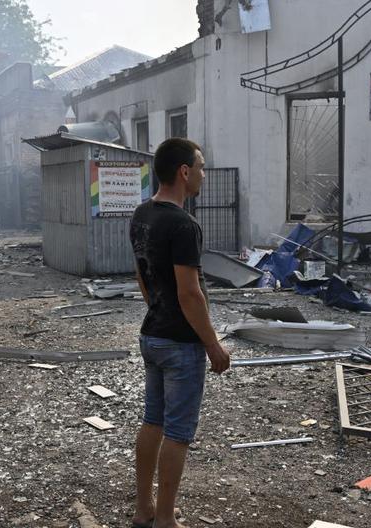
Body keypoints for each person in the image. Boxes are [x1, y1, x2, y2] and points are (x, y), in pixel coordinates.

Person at [129, 138, 230, 528]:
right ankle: (166, 519)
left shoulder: (141, 215)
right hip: (180, 344)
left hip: (151, 335)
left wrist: (158, 309)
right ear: (184, 172)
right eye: (200, 167)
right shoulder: (184, 225)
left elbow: (143, 275)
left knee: (152, 421)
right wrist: (212, 344)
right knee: (178, 432)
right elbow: (190, 292)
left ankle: (144, 510)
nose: (203, 174)